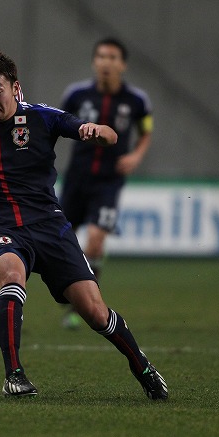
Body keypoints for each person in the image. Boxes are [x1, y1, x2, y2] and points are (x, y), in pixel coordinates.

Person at [0, 50, 168, 400]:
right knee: (12, 278)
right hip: (4, 228)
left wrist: (97, 132)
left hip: (50, 227)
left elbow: (108, 135)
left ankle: (141, 364)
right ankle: (14, 375)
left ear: (14, 88)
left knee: (94, 312)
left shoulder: (42, 118)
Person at [59, 38, 153, 329]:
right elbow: (58, 125)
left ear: (122, 64)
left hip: (109, 183)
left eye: (112, 57)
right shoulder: (76, 95)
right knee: (63, 240)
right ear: (94, 62)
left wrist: (136, 155)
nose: (106, 63)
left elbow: (146, 131)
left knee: (96, 242)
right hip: (76, 178)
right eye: (101, 56)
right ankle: (70, 290)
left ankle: (86, 303)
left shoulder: (136, 101)